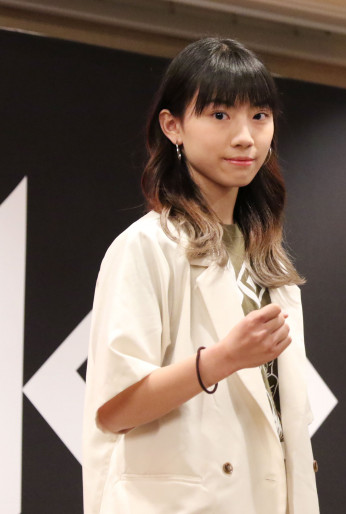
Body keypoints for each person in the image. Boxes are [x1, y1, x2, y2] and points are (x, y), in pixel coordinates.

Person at [82, 37, 319, 514]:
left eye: (260, 115)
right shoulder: (147, 245)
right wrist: (221, 359)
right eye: (220, 115)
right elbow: (114, 409)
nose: (245, 137)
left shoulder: (268, 258)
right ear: (173, 126)